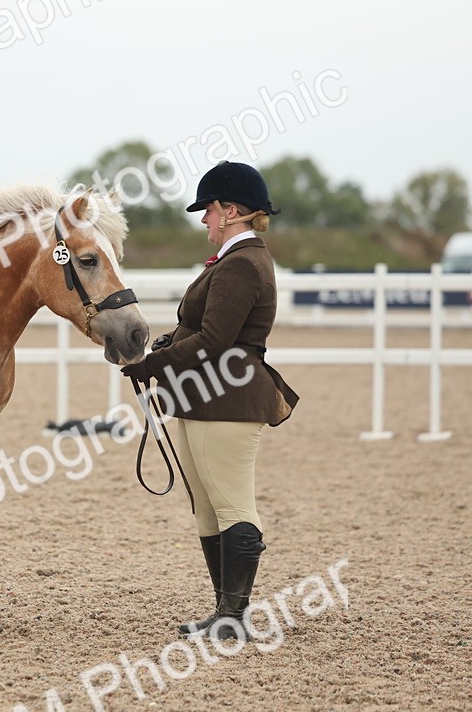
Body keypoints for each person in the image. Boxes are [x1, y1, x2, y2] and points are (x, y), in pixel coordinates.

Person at [121, 160, 299, 641]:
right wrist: (167, 344)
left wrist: (152, 366)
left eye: (210, 209)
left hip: (229, 398)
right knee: (207, 507)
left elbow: (215, 341)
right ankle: (224, 609)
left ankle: (235, 615)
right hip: (206, 397)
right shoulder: (234, 259)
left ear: (232, 211)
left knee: (232, 504)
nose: (204, 218)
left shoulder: (241, 263)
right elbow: (202, 329)